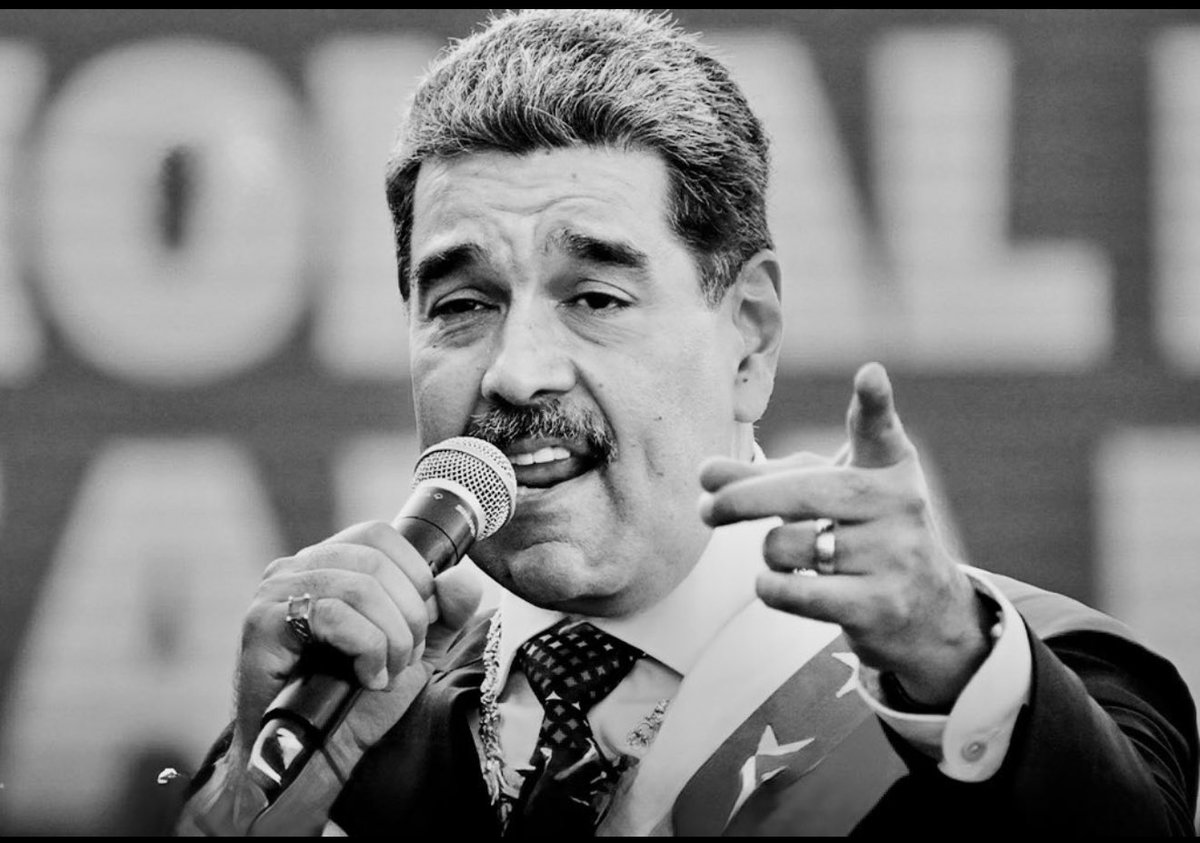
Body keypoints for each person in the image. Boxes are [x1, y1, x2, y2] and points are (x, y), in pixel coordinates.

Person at [177, 8, 1198, 836]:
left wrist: (951, 650)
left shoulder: (995, 678)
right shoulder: (347, 707)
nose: (517, 371)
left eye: (595, 297)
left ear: (748, 336)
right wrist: (262, 790)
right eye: (462, 305)